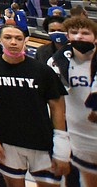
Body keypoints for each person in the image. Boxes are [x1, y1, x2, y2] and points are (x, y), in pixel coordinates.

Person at [0, 25, 70, 187]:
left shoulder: (42, 71)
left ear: (25, 41)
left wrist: (62, 145)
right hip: (8, 142)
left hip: (42, 142)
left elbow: (57, 107)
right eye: (8, 38)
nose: (13, 42)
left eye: (18, 38)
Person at [47, 16, 97, 187]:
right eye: (74, 33)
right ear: (67, 36)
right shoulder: (56, 63)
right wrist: (60, 140)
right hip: (78, 137)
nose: (79, 37)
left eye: (85, 33)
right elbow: (56, 104)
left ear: (95, 37)